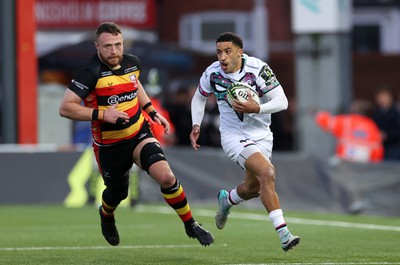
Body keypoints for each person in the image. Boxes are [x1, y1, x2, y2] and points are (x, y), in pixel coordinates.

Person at [59, 22, 214, 247]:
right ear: (97, 47)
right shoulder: (89, 73)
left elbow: (135, 84)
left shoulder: (133, 63)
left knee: (167, 177)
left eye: (118, 45)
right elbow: (65, 108)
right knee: (117, 193)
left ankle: (191, 224)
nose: (114, 51)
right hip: (110, 145)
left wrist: (152, 112)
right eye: (108, 46)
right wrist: (102, 114)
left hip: (139, 132)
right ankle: (106, 215)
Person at [190, 32, 300, 252]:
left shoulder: (259, 69)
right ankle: (284, 233)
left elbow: (283, 101)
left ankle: (227, 200)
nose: (222, 57)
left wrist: (257, 108)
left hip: (262, 135)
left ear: (240, 52)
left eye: (228, 51)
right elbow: (199, 97)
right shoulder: (212, 73)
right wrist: (196, 124)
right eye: (219, 52)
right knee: (267, 173)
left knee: (254, 188)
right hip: (233, 136)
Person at [315, 101, 384, 163]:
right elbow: (378, 151)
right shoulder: (372, 126)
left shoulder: (346, 121)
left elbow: (325, 121)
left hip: (345, 166)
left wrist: (317, 113)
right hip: (364, 168)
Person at [372, 87, 400, 161]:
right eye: (379, 97)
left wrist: (386, 135)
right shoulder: (376, 113)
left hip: (393, 147)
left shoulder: (396, 113)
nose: (382, 99)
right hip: (379, 147)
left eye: (384, 96)